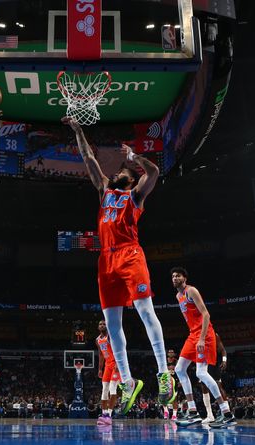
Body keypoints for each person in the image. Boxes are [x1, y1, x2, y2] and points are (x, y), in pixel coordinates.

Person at [63, 116, 173, 414]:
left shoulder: (134, 196)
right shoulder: (104, 192)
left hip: (130, 255)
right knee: (112, 327)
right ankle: (127, 383)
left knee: (145, 312)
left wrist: (135, 157)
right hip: (106, 260)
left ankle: (164, 374)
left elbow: (154, 171)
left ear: (129, 178)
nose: (117, 172)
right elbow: (87, 158)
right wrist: (78, 130)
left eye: (122, 171)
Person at [170, 267, 235, 429]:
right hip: (192, 335)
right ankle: (193, 411)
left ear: (185, 278)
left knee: (200, 372)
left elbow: (206, 315)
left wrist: (201, 338)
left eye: (178, 276)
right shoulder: (178, 296)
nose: (175, 278)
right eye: (173, 276)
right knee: (179, 369)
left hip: (204, 335)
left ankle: (227, 413)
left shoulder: (191, 291)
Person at [96, 319, 120, 426]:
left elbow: (118, 349)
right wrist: (100, 369)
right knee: (104, 389)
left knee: (112, 388)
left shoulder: (110, 336)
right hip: (107, 366)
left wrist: (118, 363)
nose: (102, 325)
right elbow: (101, 355)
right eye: (100, 324)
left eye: (104, 324)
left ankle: (109, 415)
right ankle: (103, 414)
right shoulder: (97, 340)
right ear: (98, 327)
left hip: (115, 364)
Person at [163, 349, 180, 421]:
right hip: (166, 380)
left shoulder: (177, 361)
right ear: (167, 353)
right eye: (169, 352)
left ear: (174, 354)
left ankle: (174, 415)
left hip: (175, 381)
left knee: (174, 398)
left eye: (172, 352)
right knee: (163, 396)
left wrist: (180, 381)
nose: (170, 353)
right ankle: (166, 411)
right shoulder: (164, 361)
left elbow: (180, 371)